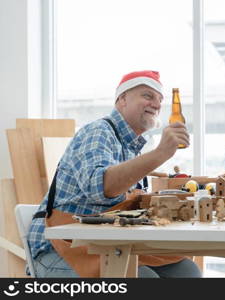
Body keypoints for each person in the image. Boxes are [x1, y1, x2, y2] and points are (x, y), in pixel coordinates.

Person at [28, 70, 201, 278]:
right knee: (143, 278)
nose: (156, 104)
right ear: (122, 100)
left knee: (187, 272)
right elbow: (101, 188)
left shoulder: (132, 148)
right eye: (147, 95)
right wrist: (161, 153)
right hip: (60, 249)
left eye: (159, 99)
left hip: (103, 245)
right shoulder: (99, 131)